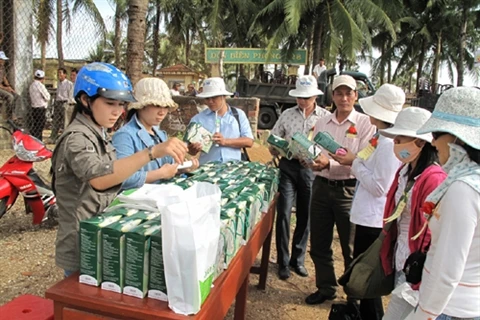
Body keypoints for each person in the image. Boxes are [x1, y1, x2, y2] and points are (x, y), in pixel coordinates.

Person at [52, 62, 188, 276]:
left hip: (101, 232)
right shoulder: (77, 138)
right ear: (86, 100)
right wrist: (151, 152)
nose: (117, 111)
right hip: (81, 241)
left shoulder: (99, 132)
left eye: (121, 104)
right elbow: (99, 179)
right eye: (110, 103)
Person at [330, 84, 404, 319]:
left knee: (368, 276)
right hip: (365, 215)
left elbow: (380, 186)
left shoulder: (388, 144)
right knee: (363, 274)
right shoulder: (378, 136)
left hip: (374, 219)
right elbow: (363, 160)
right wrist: (353, 160)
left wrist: (354, 164)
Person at [406, 87, 480, 320]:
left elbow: (447, 267)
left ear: (458, 138)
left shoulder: (463, 189)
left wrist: (424, 314)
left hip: (448, 307)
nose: (433, 142)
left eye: (437, 134)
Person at [304, 75, 376, 305]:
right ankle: (326, 287)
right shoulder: (323, 122)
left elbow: (365, 160)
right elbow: (314, 149)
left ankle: (353, 295)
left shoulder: (366, 124)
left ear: (356, 95)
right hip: (322, 187)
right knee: (319, 243)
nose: (344, 98)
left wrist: (331, 164)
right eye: (339, 93)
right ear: (332, 96)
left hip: (349, 190)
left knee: (350, 246)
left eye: (349, 93)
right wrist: (309, 159)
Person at [378, 107, 446, 319]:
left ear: (420, 142)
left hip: (416, 264)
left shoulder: (433, 178)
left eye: (402, 137)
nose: (396, 142)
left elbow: (431, 228)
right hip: (402, 256)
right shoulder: (405, 171)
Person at [269, 75, 330, 280]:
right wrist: (277, 147)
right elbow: (274, 140)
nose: (303, 101)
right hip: (287, 167)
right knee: (284, 213)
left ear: (315, 96)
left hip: (311, 170)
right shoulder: (287, 115)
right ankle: (283, 262)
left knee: (306, 214)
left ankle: (298, 259)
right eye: (300, 97)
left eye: (307, 97)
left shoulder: (324, 118)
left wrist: (315, 158)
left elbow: (329, 148)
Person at [113, 77, 199, 190]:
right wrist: (159, 174)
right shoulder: (125, 136)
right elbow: (121, 178)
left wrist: (183, 168)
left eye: (166, 107)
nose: (162, 112)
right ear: (141, 106)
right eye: (157, 105)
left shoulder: (160, 134)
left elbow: (168, 166)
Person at [187, 77, 254, 164]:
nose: (210, 101)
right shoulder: (198, 119)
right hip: (207, 171)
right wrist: (193, 149)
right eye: (207, 98)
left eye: (214, 97)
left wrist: (225, 141)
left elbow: (249, 141)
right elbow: (190, 149)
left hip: (233, 170)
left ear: (224, 96)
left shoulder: (238, 115)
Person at [48, 68, 74, 143]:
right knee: (56, 121)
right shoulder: (59, 83)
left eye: (60, 73)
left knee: (65, 121)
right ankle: (53, 137)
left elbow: (70, 95)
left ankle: (64, 138)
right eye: (58, 73)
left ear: (65, 75)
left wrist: (67, 103)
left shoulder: (69, 84)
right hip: (58, 102)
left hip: (65, 102)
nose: (59, 75)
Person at [28, 70, 50, 141]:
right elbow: (47, 97)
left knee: (35, 126)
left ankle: (34, 140)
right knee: (40, 127)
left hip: (33, 108)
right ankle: (38, 141)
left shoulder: (31, 85)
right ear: (42, 78)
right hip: (40, 108)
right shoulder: (40, 85)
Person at [0, 51, 21, 119]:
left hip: (2, 86)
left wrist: (9, 86)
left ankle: (15, 113)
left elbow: (4, 78)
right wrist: (5, 88)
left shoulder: (2, 68)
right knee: (10, 97)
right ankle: (9, 115)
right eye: (2, 59)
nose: (3, 61)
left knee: (17, 96)